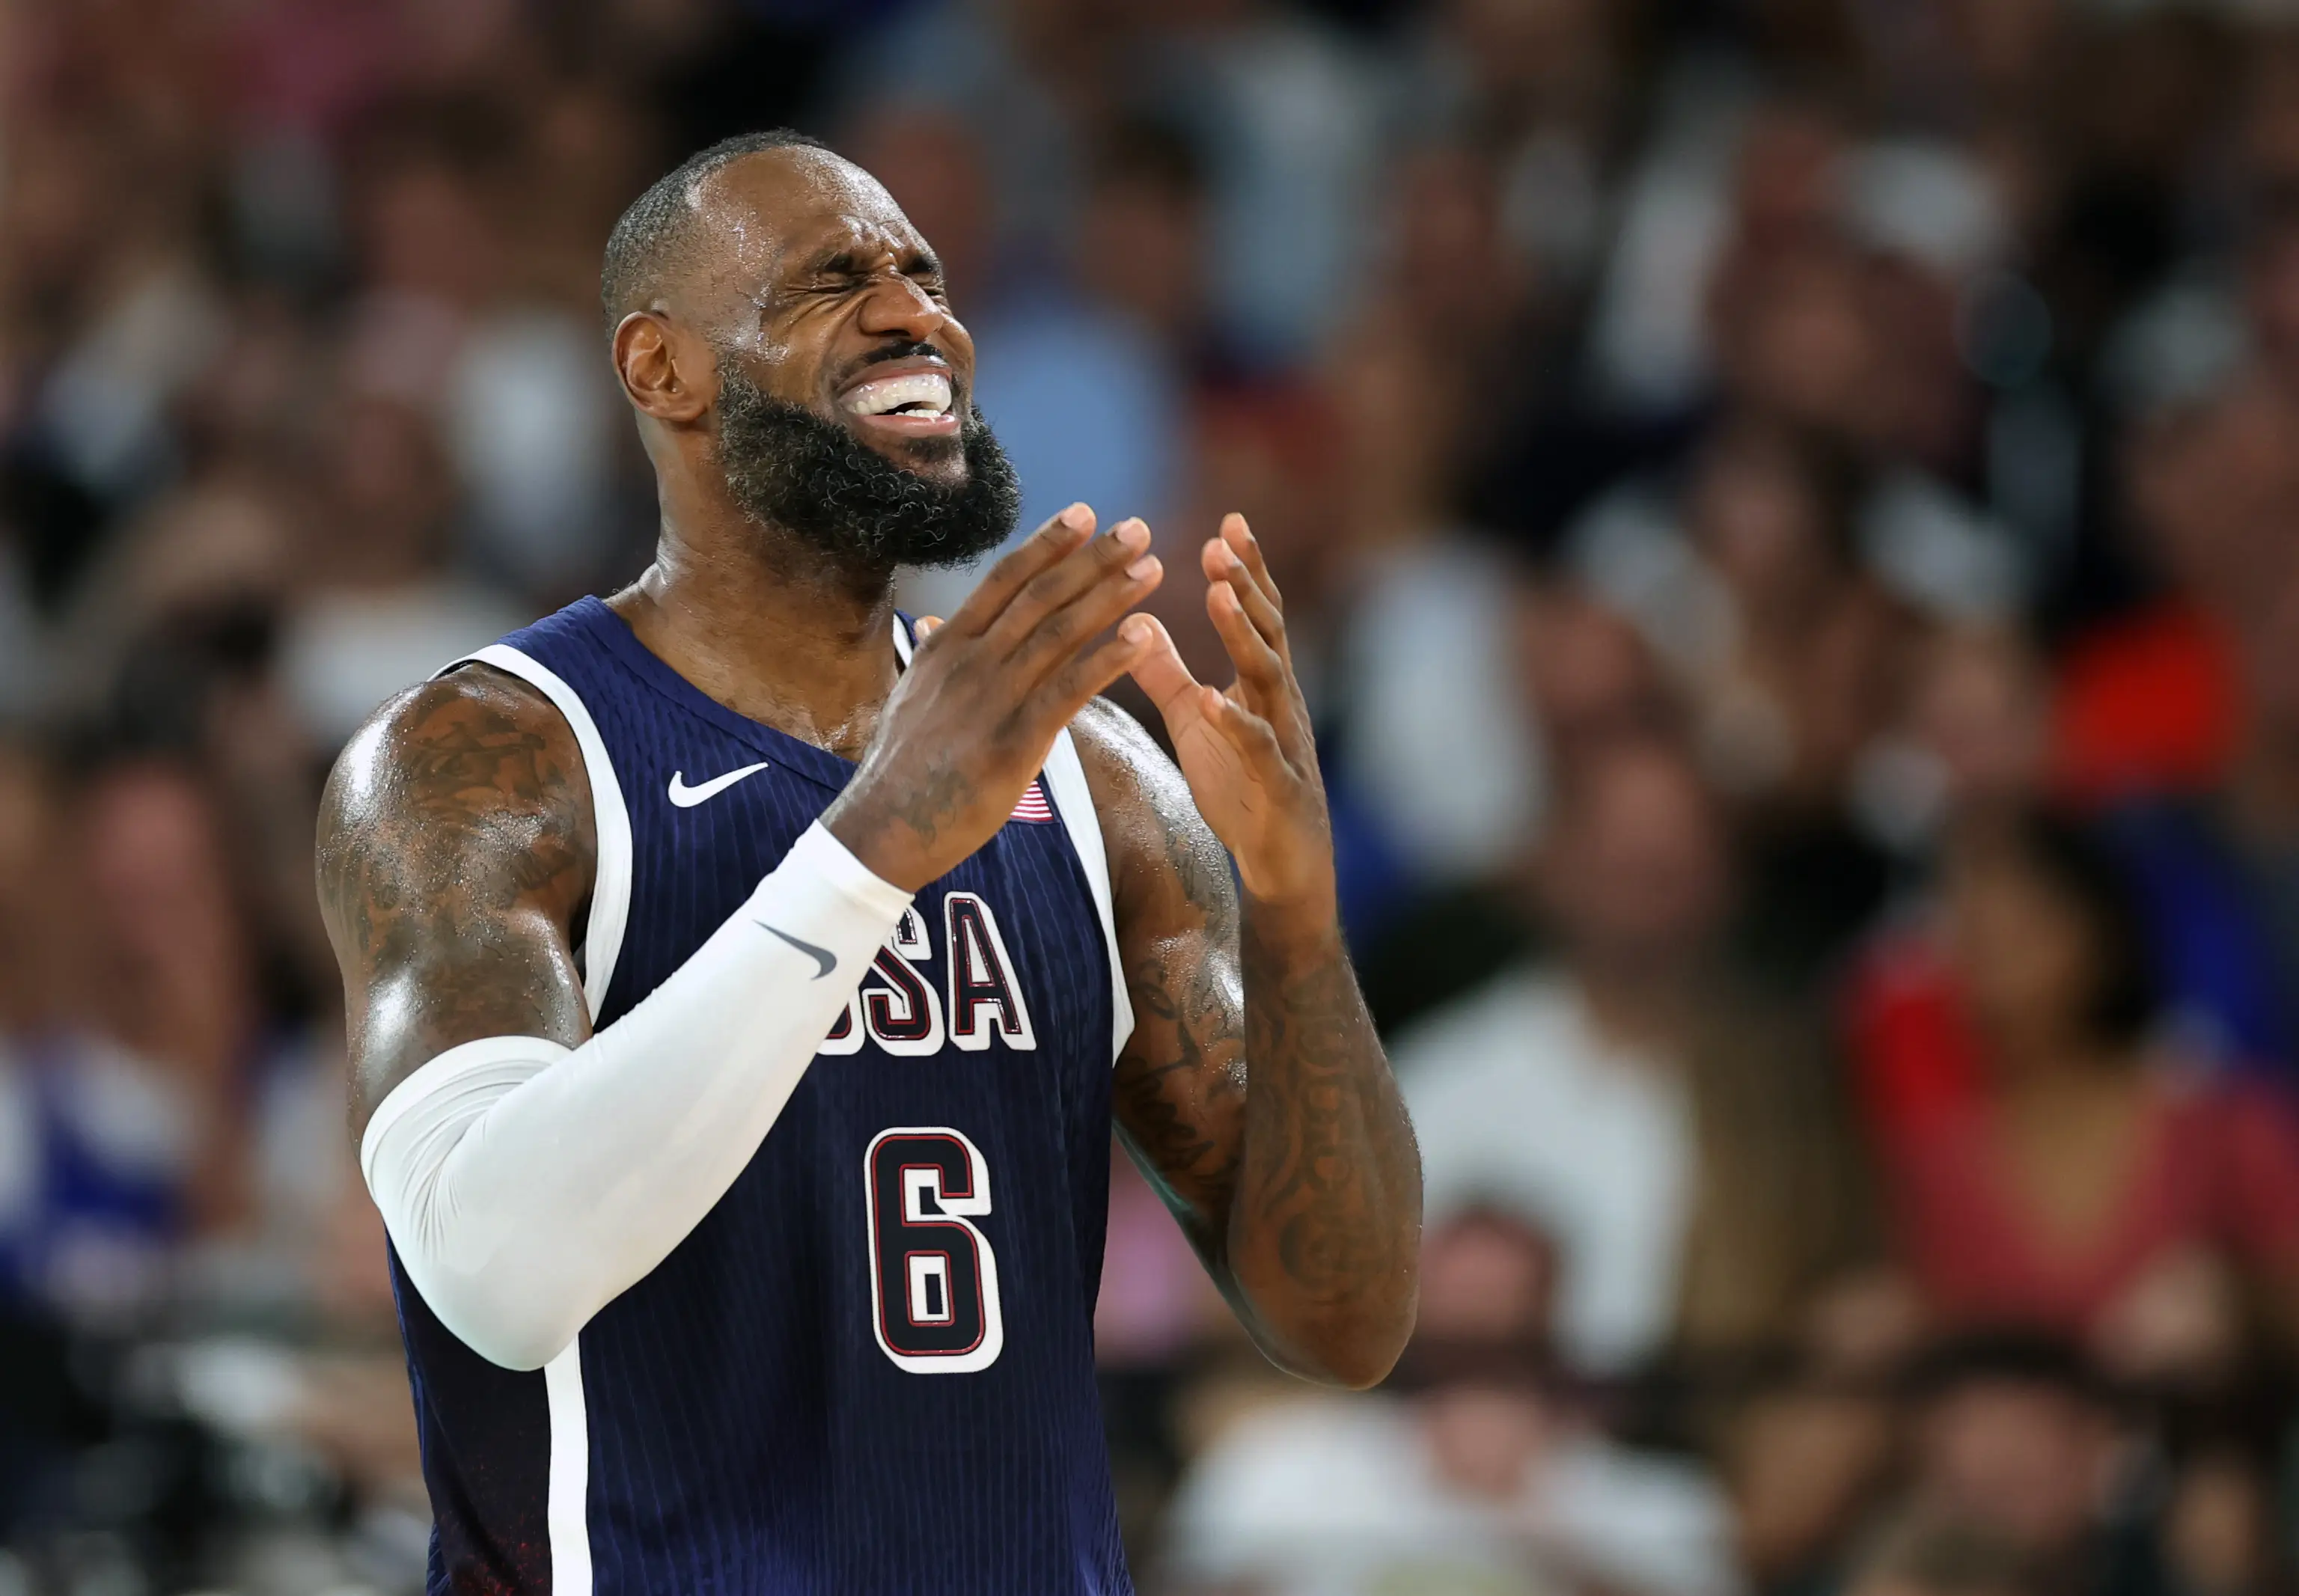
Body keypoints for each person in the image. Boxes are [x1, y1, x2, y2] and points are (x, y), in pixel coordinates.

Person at [312, 129, 1421, 1595]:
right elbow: (493, 1271)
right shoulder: (489, 761)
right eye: (834, 279)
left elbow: (1342, 1320)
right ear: (664, 370)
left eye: (926, 273)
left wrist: (1293, 918)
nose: (917, 316)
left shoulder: (1090, 775)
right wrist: (872, 850)